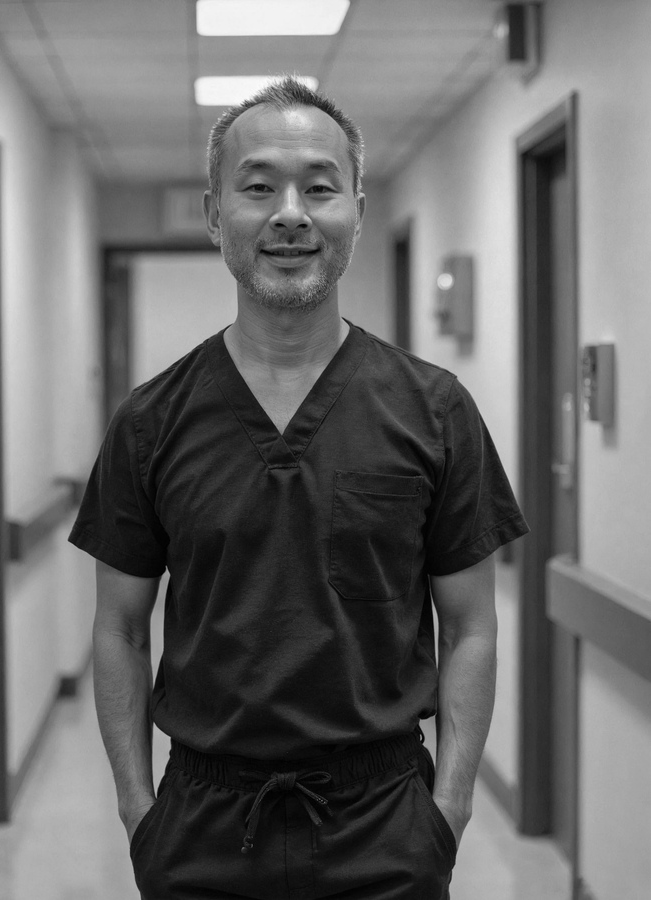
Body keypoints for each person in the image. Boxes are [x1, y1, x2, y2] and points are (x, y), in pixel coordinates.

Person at [69, 76, 529, 900]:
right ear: (216, 215)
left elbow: (470, 629)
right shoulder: (151, 420)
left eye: (319, 187)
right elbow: (119, 630)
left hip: (386, 825)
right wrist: (141, 813)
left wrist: (448, 810)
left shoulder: (433, 410)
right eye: (257, 187)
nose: (290, 212)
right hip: (202, 828)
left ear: (354, 209)